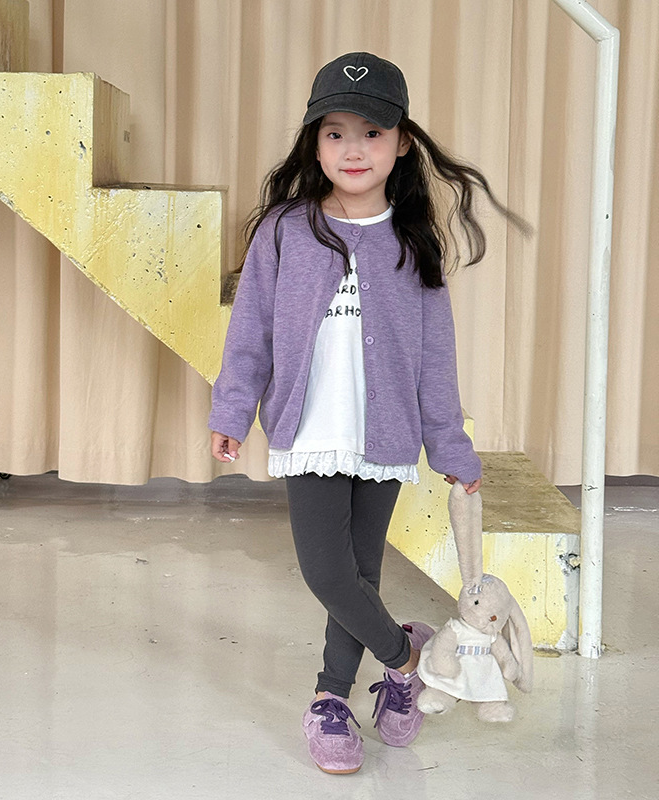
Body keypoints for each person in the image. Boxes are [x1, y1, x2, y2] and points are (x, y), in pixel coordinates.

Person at [208, 52, 526, 775]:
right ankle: (406, 656)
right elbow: (251, 328)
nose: (353, 150)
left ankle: (331, 697)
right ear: (315, 144)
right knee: (328, 572)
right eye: (335, 133)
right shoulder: (285, 229)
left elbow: (435, 359)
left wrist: (451, 447)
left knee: (359, 573)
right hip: (310, 431)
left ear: (402, 143)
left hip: (385, 437)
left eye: (372, 133)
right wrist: (233, 406)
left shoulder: (414, 242)